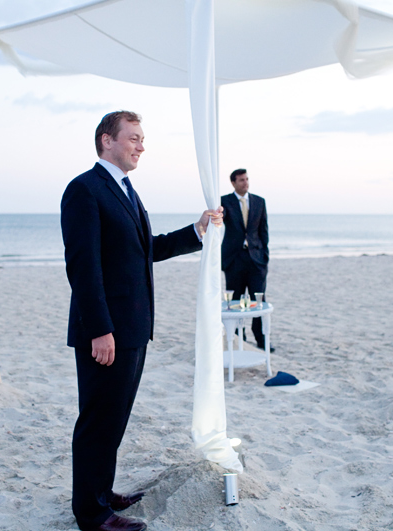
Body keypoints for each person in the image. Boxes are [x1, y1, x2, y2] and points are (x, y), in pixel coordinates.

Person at [60, 111, 222, 531]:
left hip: (133, 327)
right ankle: (92, 514)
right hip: (106, 330)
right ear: (106, 140)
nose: (141, 146)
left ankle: (101, 490)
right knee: (97, 420)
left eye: (142, 138)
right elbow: (83, 266)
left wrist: (196, 231)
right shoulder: (84, 190)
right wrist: (99, 328)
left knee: (115, 417)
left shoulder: (126, 190)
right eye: (133, 138)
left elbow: (143, 249)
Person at [221, 168, 273, 352]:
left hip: (256, 259)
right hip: (234, 259)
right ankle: (237, 338)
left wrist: (264, 256)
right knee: (235, 300)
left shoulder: (259, 202)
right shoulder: (224, 201)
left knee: (259, 299)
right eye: (241, 180)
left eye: (247, 179)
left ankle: (260, 338)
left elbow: (263, 231)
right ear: (233, 183)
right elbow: (221, 219)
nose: (245, 182)